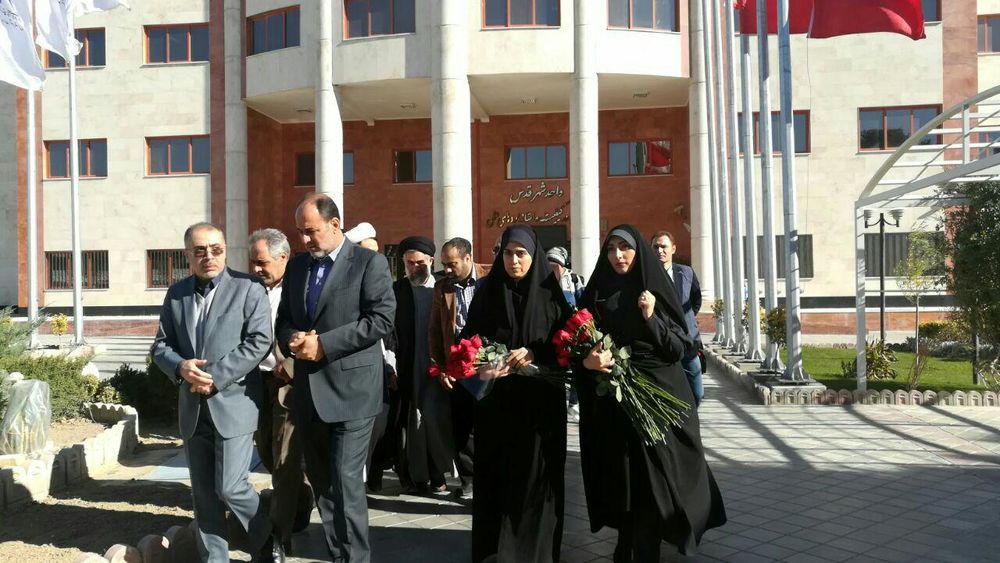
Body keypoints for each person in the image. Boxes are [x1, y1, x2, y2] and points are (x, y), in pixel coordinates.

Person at [575, 224, 726, 562]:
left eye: (625, 247)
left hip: (658, 398)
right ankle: (626, 538)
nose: (618, 255)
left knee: (653, 476)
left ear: (638, 251)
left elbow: (677, 348)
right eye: (611, 248)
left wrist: (651, 316)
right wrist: (588, 361)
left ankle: (646, 544)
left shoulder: (655, 289)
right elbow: (578, 344)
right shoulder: (597, 292)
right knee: (624, 475)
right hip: (615, 401)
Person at [275, 194, 395, 563]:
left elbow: (381, 320)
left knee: (345, 480)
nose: (304, 240)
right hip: (310, 392)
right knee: (323, 482)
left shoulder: (369, 263)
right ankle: (340, 554)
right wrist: (293, 339)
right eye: (300, 232)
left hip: (353, 393)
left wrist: (324, 345)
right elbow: (283, 319)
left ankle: (355, 558)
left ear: (335, 224)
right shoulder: (297, 267)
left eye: (311, 231)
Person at [151, 222, 277, 563]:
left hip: (234, 404)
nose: (209, 256)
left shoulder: (249, 288)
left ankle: (267, 540)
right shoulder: (176, 293)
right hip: (193, 408)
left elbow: (260, 341)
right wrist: (180, 367)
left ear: (225, 250)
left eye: (216, 249)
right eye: (200, 251)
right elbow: (160, 345)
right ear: (188, 256)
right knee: (204, 496)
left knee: (230, 487)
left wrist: (213, 377)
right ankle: (214, 559)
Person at [460, 225, 572, 563]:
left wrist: (535, 353)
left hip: (540, 410)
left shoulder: (551, 297)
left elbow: (567, 347)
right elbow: (467, 344)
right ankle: (495, 552)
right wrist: (485, 364)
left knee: (535, 482)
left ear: (534, 255)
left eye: (521, 254)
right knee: (497, 479)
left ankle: (534, 553)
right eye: (508, 254)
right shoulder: (487, 295)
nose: (514, 261)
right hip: (497, 408)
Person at [248, 228, 313, 556]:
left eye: (262, 262)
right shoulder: (250, 289)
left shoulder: (303, 287)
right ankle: (303, 496)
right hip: (256, 382)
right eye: (253, 262)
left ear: (283, 256)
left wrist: (290, 366)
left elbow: (315, 329)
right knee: (267, 453)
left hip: (289, 382)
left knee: (285, 458)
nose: (256, 268)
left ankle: (277, 537)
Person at [390, 236, 454, 494]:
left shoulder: (444, 287)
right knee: (411, 422)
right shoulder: (397, 291)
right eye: (409, 263)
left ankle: (439, 473)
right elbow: (389, 331)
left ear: (431, 260)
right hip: (408, 366)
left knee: (436, 420)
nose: (415, 268)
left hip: (439, 367)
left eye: (420, 263)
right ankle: (414, 475)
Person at [430, 237, 491, 499]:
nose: (447, 269)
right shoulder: (442, 287)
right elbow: (434, 330)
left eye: (452, 264)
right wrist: (440, 367)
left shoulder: (490, 278)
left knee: (489, 424)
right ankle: (469, 481)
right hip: (457, 366)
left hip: (489, 364)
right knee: (462, 426)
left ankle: (491, 478)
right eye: (444, 264)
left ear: (468, 258)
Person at [344, 222, 398, 492]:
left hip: (380, 369)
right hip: (352, 372)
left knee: (381, 426)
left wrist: (391, 365)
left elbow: (389, 331)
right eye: (368, 252)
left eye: (377, 253)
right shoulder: (345, 287)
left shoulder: (382, 284)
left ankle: (372, 476)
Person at [651, 231, 704, 406]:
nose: (659, 250)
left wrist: (686, 319)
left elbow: (696, 299)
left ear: (673, 249)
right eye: (656, 247)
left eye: (663, 246)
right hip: (661, 343)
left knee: (697, 393)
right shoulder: (647, 276)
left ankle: (691, 416)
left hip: (687, 342)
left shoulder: (686, 272)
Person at [545, 246, 585, 422]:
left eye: (556, 264)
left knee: (576, 368)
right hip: (550, 336)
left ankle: (574, 403)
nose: (553, 268)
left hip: (571, 334)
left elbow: (583, 305)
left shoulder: (575, 281)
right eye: (549, 264)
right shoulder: (541, 282)